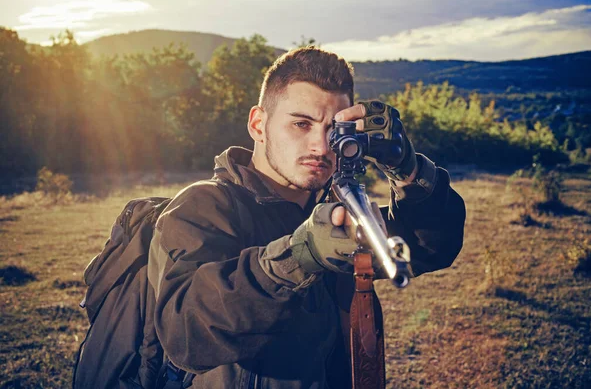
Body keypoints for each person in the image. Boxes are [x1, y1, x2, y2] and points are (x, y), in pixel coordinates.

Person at [148, 47, 466, 388]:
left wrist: (407, 168)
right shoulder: (205, 206)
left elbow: (432, 245)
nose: (321, 146)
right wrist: (298, 257)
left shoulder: (335, 214)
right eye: (302, 123)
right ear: (258, 124)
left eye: (334, 130)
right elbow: (187, 335)